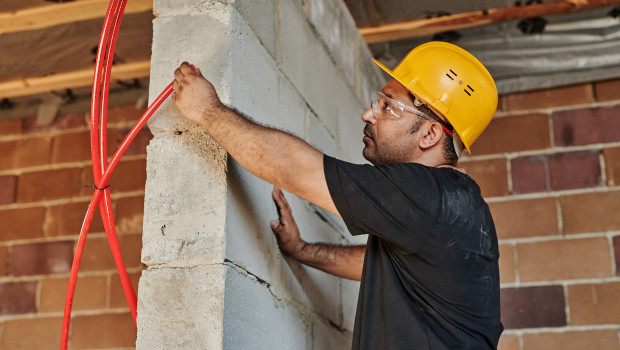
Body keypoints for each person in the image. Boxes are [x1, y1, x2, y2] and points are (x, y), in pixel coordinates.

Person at [172, 41, 503, 349]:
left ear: (430, 133)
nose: (369, 114)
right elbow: (387, 266)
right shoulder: (457, 206)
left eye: (389, 107)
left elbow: (296, 169)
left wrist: (206, 110)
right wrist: (303, 251)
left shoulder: (427, 193)